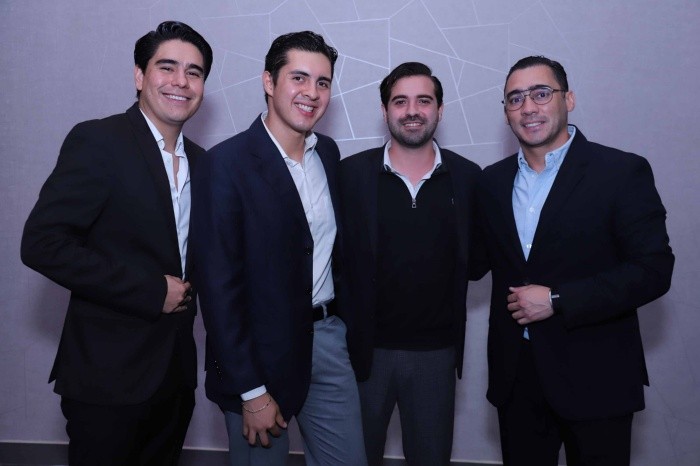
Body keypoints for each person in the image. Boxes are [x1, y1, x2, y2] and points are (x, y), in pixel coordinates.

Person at [20, 21, 213, 466]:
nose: (181, 81)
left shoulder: (203, 163)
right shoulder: (100, 140)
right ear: (140, 76)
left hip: (175, 377)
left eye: (194, 72)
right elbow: (42, 243)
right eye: (167, 67)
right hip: (106, 377)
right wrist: (150, 290)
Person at [475, 55, 674, 465]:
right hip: (518, 380)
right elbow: (474, 258)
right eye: (515, 98)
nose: (528, 107)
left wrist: (558, 299)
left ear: (569, 99)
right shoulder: (491, 181)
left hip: (597, 377)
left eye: (541, 94)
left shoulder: (620, 171)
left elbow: (654, 270)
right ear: (506, 112)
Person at [191, 31, 366, 466]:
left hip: (327, 339)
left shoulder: (328, 154)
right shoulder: (225, 164)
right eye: (299, 78)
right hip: (259, 354)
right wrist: (250, 390)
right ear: (269, 81)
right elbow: (218, 287)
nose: (312, 93)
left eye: (323, 82)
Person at [339, 62, 482, 466]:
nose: (412, 111)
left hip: (435, 355)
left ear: (440, 109)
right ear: (384, 110)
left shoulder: (469, 178)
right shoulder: (349, 175)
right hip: (363, 355)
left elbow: (478, 261)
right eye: (400, 101)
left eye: (424, 100)